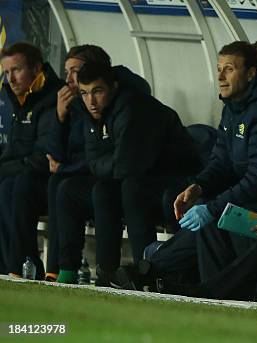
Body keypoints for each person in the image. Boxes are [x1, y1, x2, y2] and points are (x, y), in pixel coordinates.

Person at [120, 41, 257, 301]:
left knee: (227, 218)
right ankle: (200, 290)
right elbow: (221, 160)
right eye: (219, 69)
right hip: (253, 196)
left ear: (251, 74)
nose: (220, 76)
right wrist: (199, 186)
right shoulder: (234, 105)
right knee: (216, 214)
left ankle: (158, 268)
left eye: (228, 69)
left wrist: (213, 208)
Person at [55, 61, 199, 285]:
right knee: (76, 188)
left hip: (176, 179)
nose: (90, 101)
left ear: (113, 86)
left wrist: (107, 163)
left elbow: (128, 165)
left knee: (130, 189)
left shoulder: (132, 107)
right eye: (84, 93)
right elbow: (95, 161)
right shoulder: (90, 110)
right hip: (135, 176)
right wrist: (109, 163)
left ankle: (147, 271)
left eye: (97, 91)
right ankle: (102, 274)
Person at [47, 45, 151, 283]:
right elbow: (56, 152)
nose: (69, 79)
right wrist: (60, 118)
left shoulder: (124, 101)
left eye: (75, 71)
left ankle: (110, 274)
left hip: (135, 176)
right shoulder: (78, 101)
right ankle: (63, 270)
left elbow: (116, 158)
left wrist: (65, 168)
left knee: (104, 191)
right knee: (62, 187)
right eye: (67, 72)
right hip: (101, 171)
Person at [0, 42, 62, 278]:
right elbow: (15, 151)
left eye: (16, 70)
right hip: (25, 177)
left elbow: (41, 158)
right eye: (6, 73)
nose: (11, 79)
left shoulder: (50, 98)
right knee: (8, 185)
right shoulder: (23, 99)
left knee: (13, 186)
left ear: (36, 68)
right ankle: (10, 267)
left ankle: (20, 267)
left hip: (45, 181)